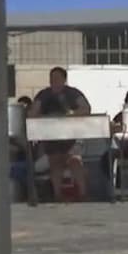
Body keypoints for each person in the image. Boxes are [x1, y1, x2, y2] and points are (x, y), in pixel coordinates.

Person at [29, 67, 91, 201]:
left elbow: (86, 109)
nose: (54, 81)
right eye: (52, 78)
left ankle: (83, 194)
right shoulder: (43, 95)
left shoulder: (73, 93)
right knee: (55, 162)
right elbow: (33, 113)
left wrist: (70, 115)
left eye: (57, 78)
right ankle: (57, 195)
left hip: (72, 137)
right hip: (52, 138)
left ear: (64, 79)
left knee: (74, 161)